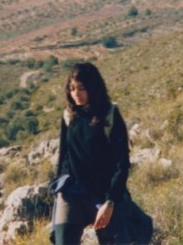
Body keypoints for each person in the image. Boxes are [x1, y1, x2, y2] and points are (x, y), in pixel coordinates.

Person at [53, 62, 130, 245]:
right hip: (72, 190)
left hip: (102, 192)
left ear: (93, 88)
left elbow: (122, 162)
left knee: (114, 240)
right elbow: (64, 154)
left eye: (82, 88)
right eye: (72, 89)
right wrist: (59, 188)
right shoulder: (69, 115)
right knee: (62, 239)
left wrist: (111, 202)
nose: (76, 94)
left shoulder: (109, 115)